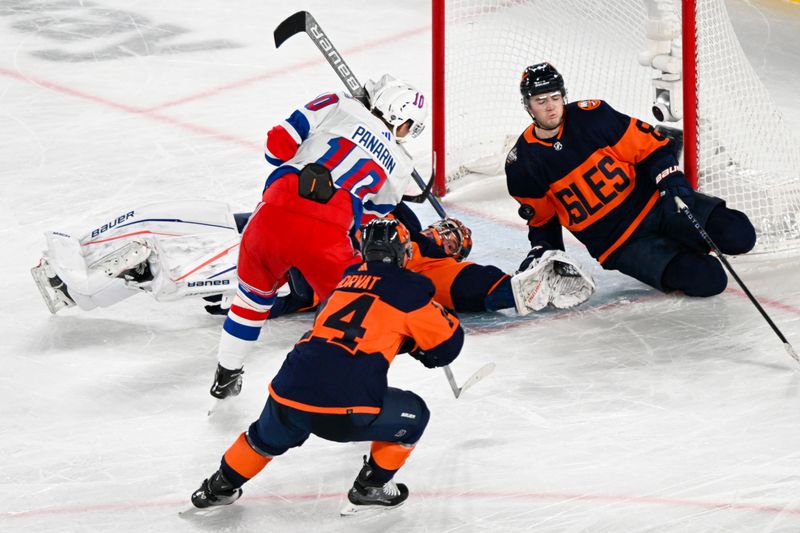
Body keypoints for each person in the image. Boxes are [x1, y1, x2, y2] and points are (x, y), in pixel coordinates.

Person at [190, 219, 464, 515]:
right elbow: (447, 347)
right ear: (402, 252)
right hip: (345, 409)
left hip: (288, 389)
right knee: (415, 413)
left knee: (262, 439)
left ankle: (217, 487)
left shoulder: (344, 282)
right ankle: (370, 487)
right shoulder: (411, 289)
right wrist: (416, 344)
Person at [210, 73, 428, 400]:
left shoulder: (338, 103)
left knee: (251, 302)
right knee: (352, 311)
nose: (407, 134)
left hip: (272, 215)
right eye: (409, 126)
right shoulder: (400, 164)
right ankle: (339, 386)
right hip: (327, 234)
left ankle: (225, 375)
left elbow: (276, 147)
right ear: (398, 117)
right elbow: (369, 222)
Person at [505, 62, 756, 297]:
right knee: (709, 279)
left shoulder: (594, 117)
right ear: (528, 106)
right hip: (620, 243)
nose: (550, 106)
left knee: (739, 233)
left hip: (658, 206)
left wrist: (670, 179)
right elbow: (543, 220)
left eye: (555, 97)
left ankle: (684, 241)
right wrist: (547, 254)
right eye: (541, 101)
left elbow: (651, 148)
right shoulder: (523, 163)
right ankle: (680, 251)